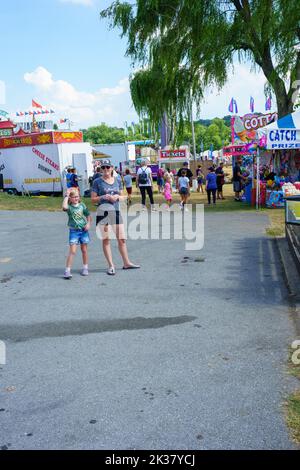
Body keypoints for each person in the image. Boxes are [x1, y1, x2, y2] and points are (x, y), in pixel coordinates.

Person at [91, 160, 140, 275]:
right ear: (101, 169)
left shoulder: (118, 180)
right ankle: (111, 265)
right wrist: (103, 196)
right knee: (106, 240)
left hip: (116, 211)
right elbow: (93, 199)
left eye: (108, 167)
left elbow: (124, 196)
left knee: (122, 239)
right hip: (103, 212)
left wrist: (117, 197)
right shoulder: (97, 182)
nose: (106, 169)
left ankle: (126, 263)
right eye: (103, 167)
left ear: (112, 168)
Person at [62, 189, 92, 279]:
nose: (76, 198)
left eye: (77, 196)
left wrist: (88, 223)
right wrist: (66, 196)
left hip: (83, 231)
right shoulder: (69, 207)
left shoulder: (82, 205)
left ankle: (85, 268)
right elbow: (64, 207)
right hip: (74, 232)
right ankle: (67, 270)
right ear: (70, 198)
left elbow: (88, 215)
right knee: (73, 251)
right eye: (74, 197)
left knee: (84, 250)